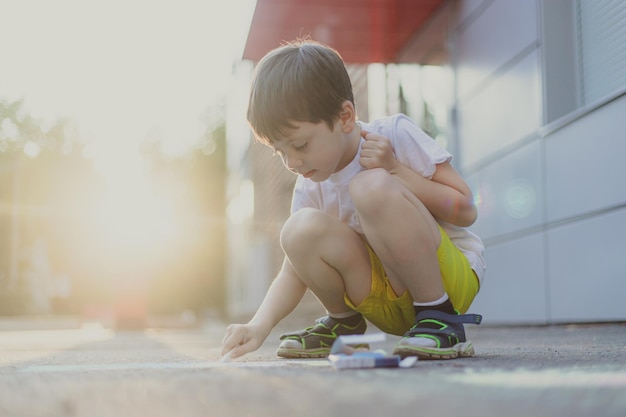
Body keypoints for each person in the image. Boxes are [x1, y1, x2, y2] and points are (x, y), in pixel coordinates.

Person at [221, 38, 485, 361]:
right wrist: (258, 326)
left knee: (369, 187)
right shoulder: (310, 184)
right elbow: (293, 271)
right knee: (297, 229)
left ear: (345, 116)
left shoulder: (393, 135)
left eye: (300, 145)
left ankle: (441, 320)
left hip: (447, 285)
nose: (292, 163)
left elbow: (466, 210)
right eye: (280, 152)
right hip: (386, 304)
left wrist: (397, 171)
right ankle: (343, 325)